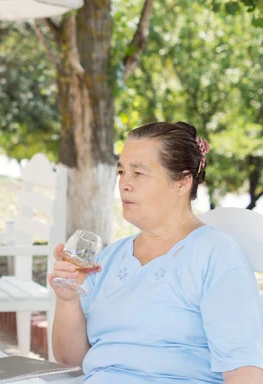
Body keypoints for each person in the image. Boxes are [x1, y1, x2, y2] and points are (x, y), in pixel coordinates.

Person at [49, 121, 263, 383]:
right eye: (121, 172)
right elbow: (71, 362)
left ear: (182, 182)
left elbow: (245, 371)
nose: (124, 184)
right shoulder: (108, 258)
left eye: (138, 173)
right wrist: (67, 299)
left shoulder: (216, 256)